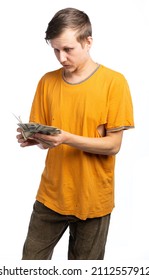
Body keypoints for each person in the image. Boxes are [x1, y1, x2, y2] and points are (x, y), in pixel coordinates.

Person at [17, 7, 134, 260]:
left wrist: (66, 138)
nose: (61, 57)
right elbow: (49, 142)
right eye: (56, 49)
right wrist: (37, 139)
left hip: (94, 200)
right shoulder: (46, 82)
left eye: (68, 49)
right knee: (29, 266)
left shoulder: (114, 83)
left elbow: (113, 145)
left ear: (88, 41)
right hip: (51, 196)